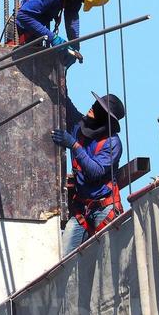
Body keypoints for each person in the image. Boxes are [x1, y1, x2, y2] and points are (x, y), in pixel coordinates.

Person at [52, 90, 126, 254]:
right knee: (64, 259)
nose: (92, 108)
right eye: (95, 104)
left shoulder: (112, 143)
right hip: (82, 209)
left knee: (107, 258)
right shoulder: (79, 128)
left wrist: (74, 145)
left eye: (98, 108)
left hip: (104, 208)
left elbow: (95, 172)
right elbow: (65, 102)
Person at [15, 0, 112, 66]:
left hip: (34, 36)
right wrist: (53, 38)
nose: (81, 2)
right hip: (19, 34)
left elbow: (72, 15)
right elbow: (23, 16)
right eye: (83, 0)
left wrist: (74, 46)